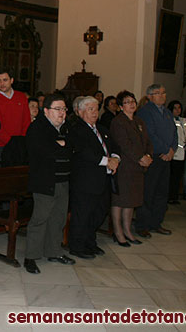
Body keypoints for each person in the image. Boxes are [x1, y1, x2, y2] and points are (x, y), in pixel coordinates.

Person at [23, 93, 73, 274]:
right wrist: (59, 146)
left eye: (64, 109)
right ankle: (30, 257)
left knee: (58, 218)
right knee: (40, 219)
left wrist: (62, 145)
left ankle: (54, 251)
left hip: (63, 180)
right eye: (58, 109)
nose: (62, 113)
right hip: (45, 181)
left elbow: (72, 149)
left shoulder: (66, 128)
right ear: (46, 111)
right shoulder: (37, 127)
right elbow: (44, 152)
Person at [67, 96, 119, 259]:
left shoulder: (102, 129)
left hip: (102, 180)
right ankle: (77, 246)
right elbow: (84, 152)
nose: (94, 112)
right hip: (85, 180)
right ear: (81, 112)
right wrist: (107, 161)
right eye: (90, 109)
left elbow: (114, 147)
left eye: (96, 109)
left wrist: (116, 158)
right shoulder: (77, 129)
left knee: (98, 212)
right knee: (83, 214)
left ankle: (90, 242)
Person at [109, 91, 152, 247]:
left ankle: (127, 230)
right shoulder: (118, 122)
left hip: (138, 168)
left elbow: (147, 141)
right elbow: (124, 144)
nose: (132, 104)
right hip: (125, 166)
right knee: (120, 200)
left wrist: (148, 155)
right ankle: (118, 232)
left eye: (133, 101)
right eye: (127, 102)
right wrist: (140, 158)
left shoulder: (139, 121)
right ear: (120, 107)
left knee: (131, 201)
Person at [135, 84, 177, 238]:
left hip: (166, 157)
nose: (162, 95)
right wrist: (165, 149)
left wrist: (172, 149)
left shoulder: (167, 112)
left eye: (164, 92)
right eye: (158, 93)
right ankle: (143, 225)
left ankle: (156, 222)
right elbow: (150, 135)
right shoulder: (145, 112)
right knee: (148, 192)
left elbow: (174, 133)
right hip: (154, 157)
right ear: (150, 96)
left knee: (161, 192)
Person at [0, 69, 31, 166]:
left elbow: (26, 121)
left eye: (5, 80)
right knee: (0, 177)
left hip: (19, 144)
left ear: (12, 80)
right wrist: (11, 142)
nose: (2, 83)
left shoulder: (21, 97)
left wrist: (21, 140)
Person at [167, 100, 186, 204]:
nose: (178, 110)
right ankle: (170, 196)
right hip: (174, 152)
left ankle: (175, 195)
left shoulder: (183, 120)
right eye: (175, 108)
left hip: (183, 152)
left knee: (178, 176)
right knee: (172, 176)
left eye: (179, 108)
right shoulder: (169, 120)